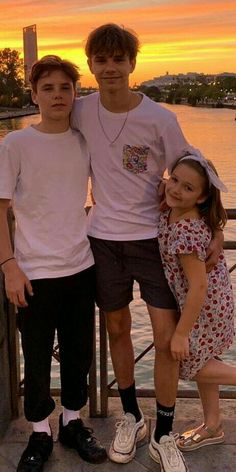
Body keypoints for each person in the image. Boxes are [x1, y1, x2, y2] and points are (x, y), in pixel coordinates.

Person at [71, 23, 222, 471]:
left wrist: (215, 224)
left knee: (164, 339)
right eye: (102, 60)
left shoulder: (159, 118)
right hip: (101, 239)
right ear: (92, 65)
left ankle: (164, 431)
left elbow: (194, 167)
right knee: (117, 329)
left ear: (133, 63)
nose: (110, 67)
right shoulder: (81, 110)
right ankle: (132, 417)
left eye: (119, 59)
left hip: (154, 242)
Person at [0, 55, 107, 471]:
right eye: (48, 88)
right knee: (38, 353)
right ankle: (40, 431)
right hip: (34, 271)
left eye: (65, 87)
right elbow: (1, 207)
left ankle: (72, 422)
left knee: (79, 353)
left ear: (74, 94)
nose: (57, 94)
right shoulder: (15, 145)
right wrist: (9, 264)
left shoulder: (84, 141)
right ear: (34, 95)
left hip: (80, 265)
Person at [157, 154, 235, 454]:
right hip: (214, 302)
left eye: (188, 188)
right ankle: (213, 425)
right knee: (203, 362)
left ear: (202, 197)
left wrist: (181, 333)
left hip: (205, 307)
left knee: (187, 366)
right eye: (174, 180)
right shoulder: (175, 208)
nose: (175, 189)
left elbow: (199, 286)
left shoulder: (185, 230)